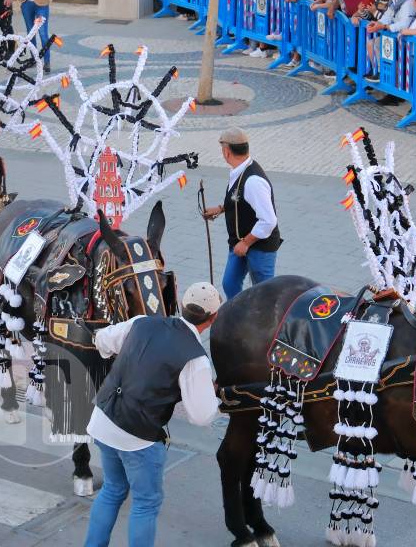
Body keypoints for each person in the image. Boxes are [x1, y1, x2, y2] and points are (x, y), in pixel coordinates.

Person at [82, 281, 222, 547]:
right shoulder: (196, 359)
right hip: (139, 437)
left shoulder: (142, 322)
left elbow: (102, 339)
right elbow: (201, 416)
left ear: (181, 305)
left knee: (112, 490)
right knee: (145, 504)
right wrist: (212, 393)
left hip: (103, 418)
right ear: (213, 318)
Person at [202, 127, 281, 299]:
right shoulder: (239, 170)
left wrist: (246, 243)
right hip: (239, 241)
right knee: (230, 283)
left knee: (264, 293)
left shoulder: (253, 181)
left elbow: (268, 221)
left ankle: (263, 322)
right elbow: (240, 198)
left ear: (226, 151)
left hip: (260, 245)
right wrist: (221, 208)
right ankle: (241, 315)